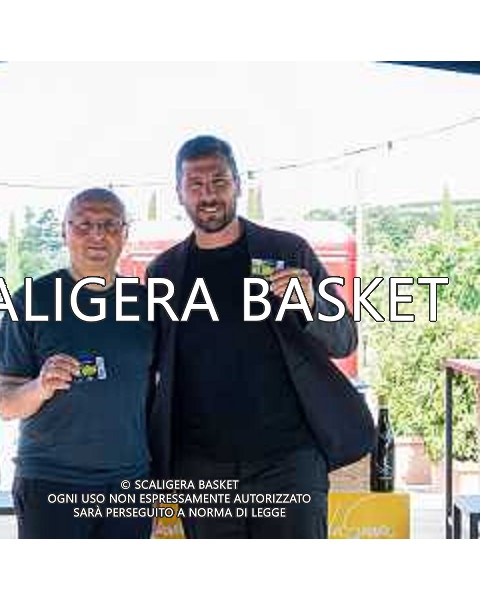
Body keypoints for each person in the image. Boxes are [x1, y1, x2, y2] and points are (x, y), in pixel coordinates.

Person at [146, 135, 374, 538]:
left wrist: (311, 304)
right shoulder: (163, 272)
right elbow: (145, 365)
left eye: (219, 181)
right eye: (195, 184)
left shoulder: (289, 251)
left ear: (238, 184)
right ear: (179, 193)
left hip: (289, 463)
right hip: (201, 469)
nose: (208, 195)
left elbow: (344, 340)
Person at [0, 188, 154, 539]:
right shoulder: (31, 300)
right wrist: (40, 386)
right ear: (64, 232)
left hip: (130, 483)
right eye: (83, 224)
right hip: (51, 482)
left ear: (125, 233)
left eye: (109, 224)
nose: (97, 234)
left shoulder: (148, 304)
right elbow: (4, 404)